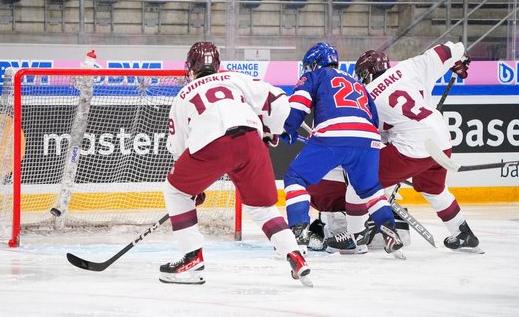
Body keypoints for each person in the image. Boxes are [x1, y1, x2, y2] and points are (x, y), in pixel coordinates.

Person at [160, 41, 312, 287]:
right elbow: (279, 101)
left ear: (190, 67)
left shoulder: (183, 95)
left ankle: (192, 257)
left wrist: (192, 188)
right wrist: (273, 130)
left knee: (175, 190)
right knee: (262, 208)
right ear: (218, 65)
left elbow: (179, 148)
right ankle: (295, 254)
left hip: (211, 143)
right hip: (252, 141)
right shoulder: (235, 78)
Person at [352, 42, 482, 253]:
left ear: (366, 74)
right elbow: (450, 48)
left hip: (412, 146)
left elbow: (375, 138)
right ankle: (462, 232)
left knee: (364, 178)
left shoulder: (366, 96)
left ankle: (365, 232)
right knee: (433, 188)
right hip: (440, 138)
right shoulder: (409, 67)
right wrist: (459, 59)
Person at [280, 42, 405, 259]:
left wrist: (288, 129)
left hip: (333, 137)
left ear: (314, 63)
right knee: (371, 190)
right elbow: (372, 120)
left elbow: (298, 106)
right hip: (368, 140)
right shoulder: (358, 84)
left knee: (295, 177)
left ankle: (298, 233)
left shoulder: (314, 76)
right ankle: (390, 232)